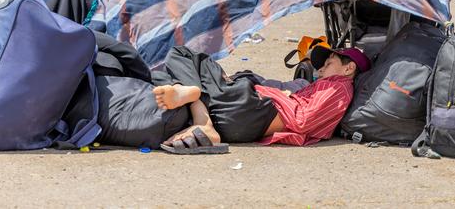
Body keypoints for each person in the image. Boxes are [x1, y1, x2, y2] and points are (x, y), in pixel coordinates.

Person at [151, 45, 370, 151]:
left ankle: (197, 106)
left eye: (329, 63)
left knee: (183, 54)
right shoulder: (329, 86)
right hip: (245, 117)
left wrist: (273, 93)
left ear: (348, 68)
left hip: (252, 112)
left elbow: (304, 119)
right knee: (160, 74)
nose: (321, 69)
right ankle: (195, 101)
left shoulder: (339, 89)